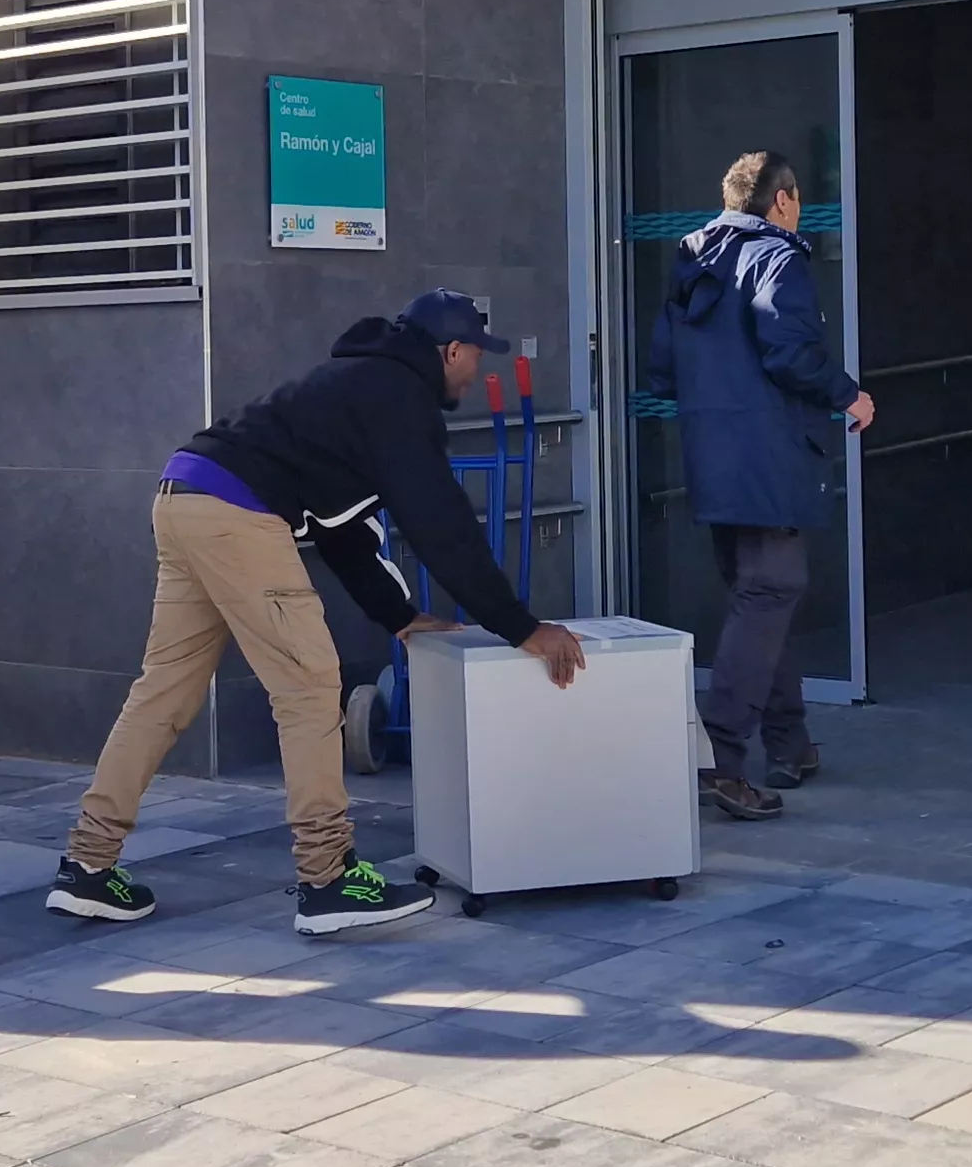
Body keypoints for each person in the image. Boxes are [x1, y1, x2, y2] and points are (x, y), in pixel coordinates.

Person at [53, 290, 590, 936]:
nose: (479, 372)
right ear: (451, 350)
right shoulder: (399, 398)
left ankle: (87, 865)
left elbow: (343, 527)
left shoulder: (357, 383)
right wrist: (523, 626)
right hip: (237, 514)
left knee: (162, 694)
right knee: (309, 689)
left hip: (184, 494)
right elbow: (441, 524)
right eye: (476, 355)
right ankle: (328, 877)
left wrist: (399, 614)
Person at [648, 152, 871, 822]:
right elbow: (788, 348)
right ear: (782, 200)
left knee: (759, 596)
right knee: (773, 587)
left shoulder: (694, 262)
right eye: (796, 199)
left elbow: (662, 370)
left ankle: (789, 742)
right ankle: (722, 757)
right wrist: (848, 395)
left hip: (711, 457)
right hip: (767, 455)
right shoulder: (778, 258)